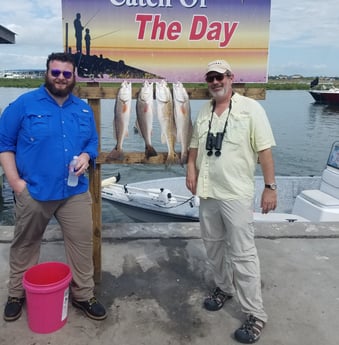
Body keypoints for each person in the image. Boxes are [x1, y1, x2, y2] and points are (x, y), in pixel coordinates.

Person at [0, 52, 107, 322]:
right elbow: (5, 144)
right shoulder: (23, 104)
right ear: (46, 73)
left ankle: (83, 295)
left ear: (74, 77)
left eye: (66, 74)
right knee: (25, 243)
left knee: (82, 243)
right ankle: (16, 293)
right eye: (55, 72)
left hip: (74, 192)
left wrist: (85, 157)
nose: (60, 78)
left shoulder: (82, 109)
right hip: (34, 191)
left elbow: (91, 143)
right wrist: (16, 183)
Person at [186, 59, 277, 344]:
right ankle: (223, 288)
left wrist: (270, 187)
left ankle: (255, 314)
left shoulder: (252, 109)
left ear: (231, 78)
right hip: (208, 191)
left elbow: (264, 151)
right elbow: (193, 148)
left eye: (220, 76)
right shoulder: (203, 110)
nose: (215, 82)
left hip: (236, 194)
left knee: (243, 254)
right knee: (213, 247)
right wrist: (190, 170)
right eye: (210, 77)